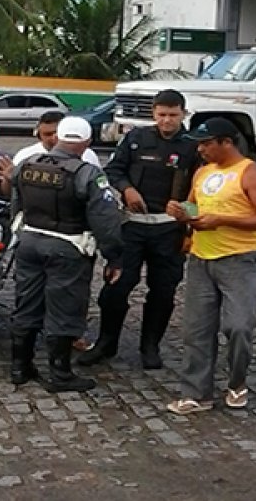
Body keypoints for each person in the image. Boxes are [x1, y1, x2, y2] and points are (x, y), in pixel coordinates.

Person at [164, 117, 256, 415]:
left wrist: (223, 220)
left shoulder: (250, 173)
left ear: (226, 142)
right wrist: (180, 212)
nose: (200, 149)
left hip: (239, 260)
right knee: (197, 330)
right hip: (201, 259)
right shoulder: (202, 172)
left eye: (206, 143)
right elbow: (193, 207)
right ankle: (196, 393)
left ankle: (237, 381)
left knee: (238, 326)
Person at [78, 89, 199, 369]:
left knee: (163, 291)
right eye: (161, 115)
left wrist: (188, 220)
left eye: (173, 115)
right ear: (153, 114)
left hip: (169, 231)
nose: (167, 120)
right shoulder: (135, 139)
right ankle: (107, 343)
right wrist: (127, 189)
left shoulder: (193, 146)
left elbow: (200, 189)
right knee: (116, 286)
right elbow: (114, 170)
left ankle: (150, 347)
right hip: (132, 227)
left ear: (183, 113)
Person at [9, 116, 124, 393]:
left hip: (29, 241)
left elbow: (16, 204)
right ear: (86, 143)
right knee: (64, 309)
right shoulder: (88, 174)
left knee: (27, 303)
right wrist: (115, 256)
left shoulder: (26, 165)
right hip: (67, 247)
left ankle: (19, 367)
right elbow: (105, 220)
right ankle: (60, 375)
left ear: (58, 137)